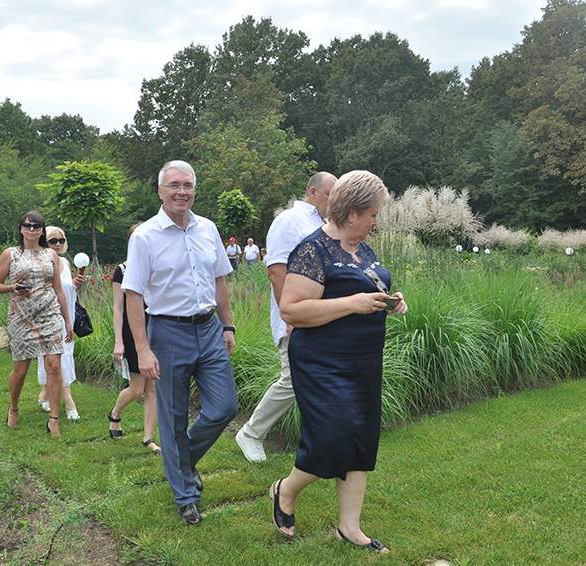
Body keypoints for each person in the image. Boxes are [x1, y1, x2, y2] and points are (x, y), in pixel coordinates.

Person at [269, 171, 407, 552]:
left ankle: (350, 527)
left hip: (363, 361)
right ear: (351, 212)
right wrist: (353, 304)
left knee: (361, 437)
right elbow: (292, 309)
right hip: (322, 362)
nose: (376, 221)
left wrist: (391, 302)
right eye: (373, 214)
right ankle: (285, 489)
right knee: (334, 434)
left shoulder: (363, 250)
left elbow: (369, 287)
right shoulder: (312, 251)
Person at [122, 160, 238, 525]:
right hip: (168, 332)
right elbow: (133, 296)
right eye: (174, 185)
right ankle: (185, 494)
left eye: (188, 184)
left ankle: (181, 462)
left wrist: (228, 325)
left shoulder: (208, 229)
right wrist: (142, 349)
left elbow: (220, 281)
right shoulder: (145, 236)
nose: (182, 191)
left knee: (224, 407)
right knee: (172, 419)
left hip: (208, 330)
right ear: (160, 191)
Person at [235, 172, 336, 462]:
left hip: (321, 314)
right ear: (313, 192)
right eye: (331, 194)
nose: (335, 200)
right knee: (293, 379)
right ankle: (252, 433)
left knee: (319, 378)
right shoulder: (289, 220)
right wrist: (288, 314)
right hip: (295, 315)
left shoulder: (326, 225)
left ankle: (320, 438)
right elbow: (277, 270)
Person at [0, 211, 73, 438]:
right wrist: (11, 288)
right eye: (28, 225)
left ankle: (54, 419)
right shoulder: (11, 254)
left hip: (50, 314)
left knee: (54, 367)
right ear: (21, 228)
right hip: (21, 316)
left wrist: (67, 321)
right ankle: (14, 407)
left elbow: (58, 289)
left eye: (37, 226)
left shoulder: (51, 255)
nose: (32, 229)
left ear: (42, 230)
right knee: (20, 369)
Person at [108, 224, 160, 454]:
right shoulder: (122, 269)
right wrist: (118, 341)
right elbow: (118, 308)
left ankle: (148, 438)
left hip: (158, 328)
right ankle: (115, 413)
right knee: (138, 387)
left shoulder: (158, 265)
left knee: (154, 387)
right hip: (132, 331)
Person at [36, 226, 83, 420]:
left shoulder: (64, 261)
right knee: (51, 358)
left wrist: (75, 284)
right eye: (52, 241)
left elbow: (66, 291)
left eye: (60, 241)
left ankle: (45, 393)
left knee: (65, 356)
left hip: (65, 318)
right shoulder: (39, 262)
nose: (57, 244)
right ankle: (68, 399)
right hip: (46, 318)